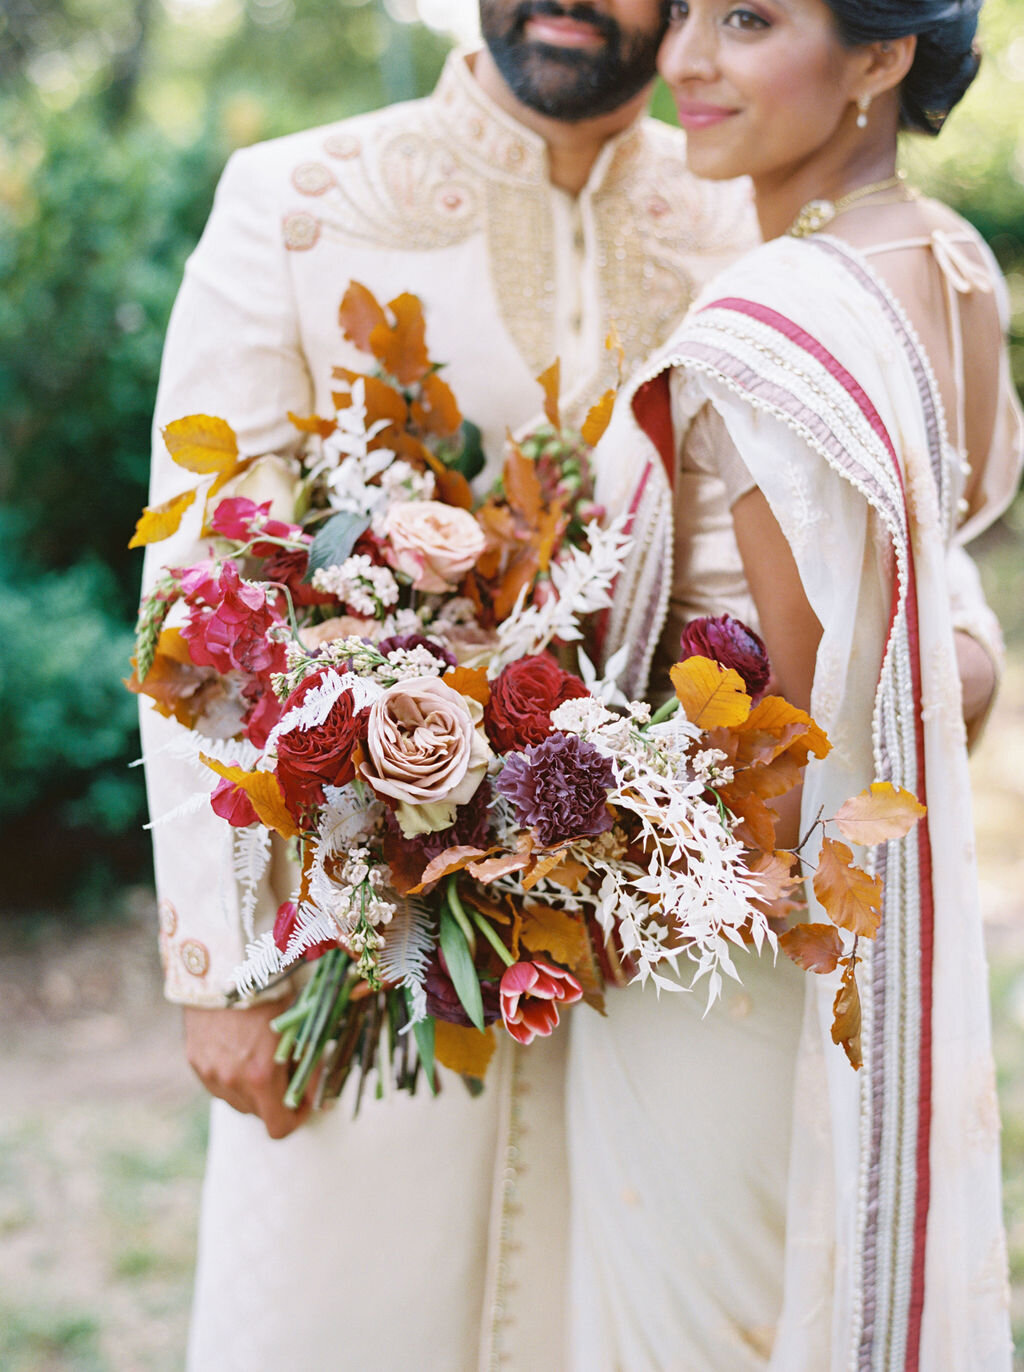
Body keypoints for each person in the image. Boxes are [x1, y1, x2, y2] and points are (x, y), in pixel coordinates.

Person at [141, 1, 1006, 1366]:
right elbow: (200, 602)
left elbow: (898, 549)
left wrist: (949, 671)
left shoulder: (743, 202)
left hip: (664, 970)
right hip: (374, 953)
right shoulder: (299, 203)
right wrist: (222, 966)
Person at [588, 0, 1022, 1366]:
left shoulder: (775, 316)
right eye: (691, 15)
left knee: (703, 1325)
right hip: (854, 910)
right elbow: (926, 604)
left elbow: (804, 705)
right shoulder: (950, 262)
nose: (682, 62)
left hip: (729, 929)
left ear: (884, 57)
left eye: (751, 19)